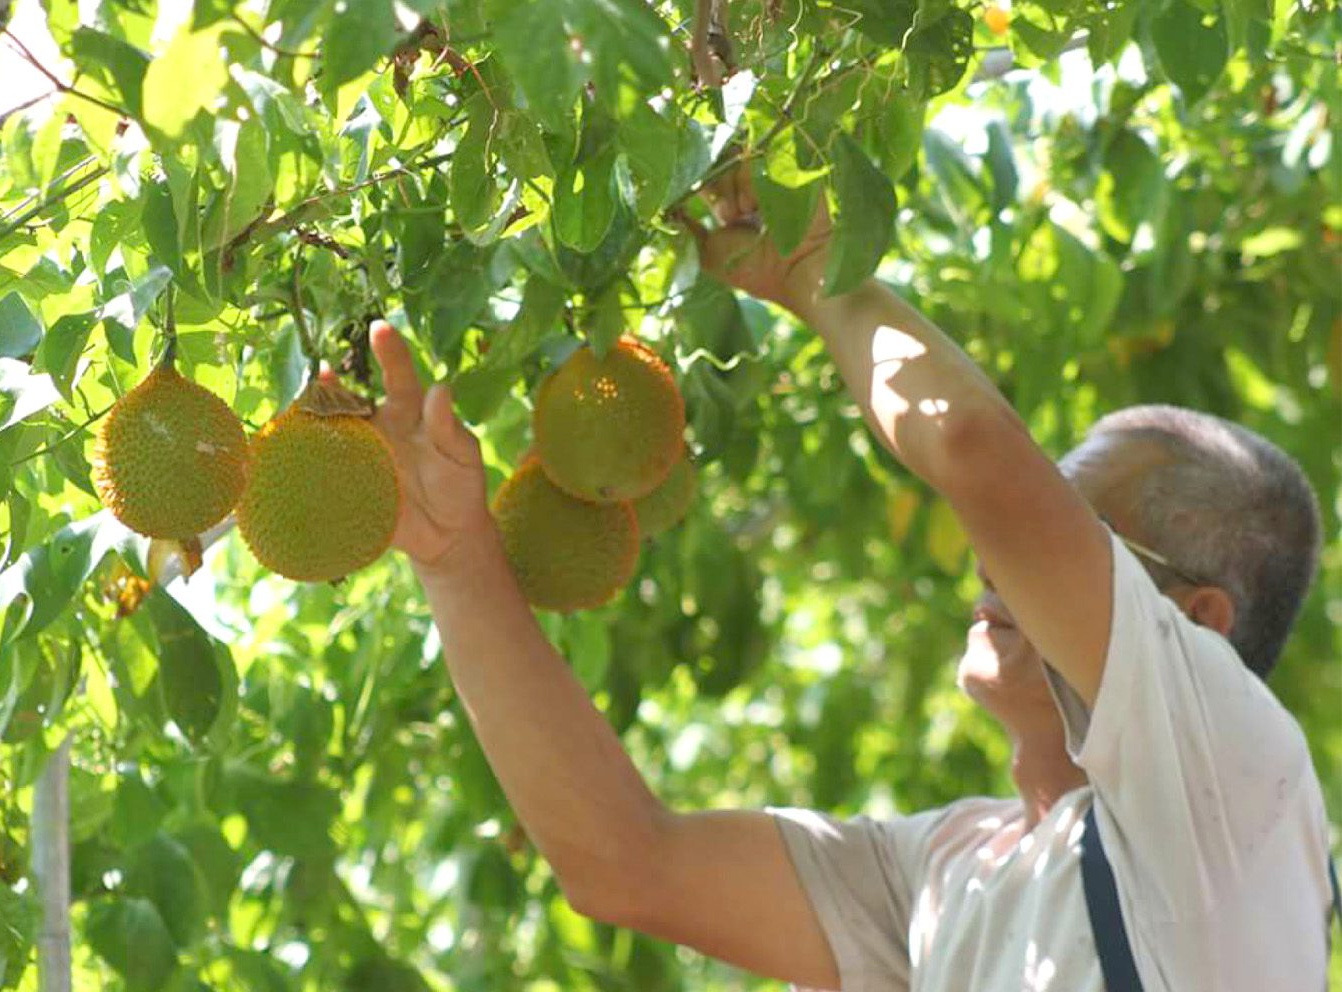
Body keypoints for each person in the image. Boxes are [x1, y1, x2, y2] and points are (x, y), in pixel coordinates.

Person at [364, 165, 1335, 991]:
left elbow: (970, 447)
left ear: (1196, 618)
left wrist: (812, 271)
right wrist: (455, 558)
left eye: (1077, 527)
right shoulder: (949, 865)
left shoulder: (1241, 780)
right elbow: (627, 862)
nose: (994, 550)